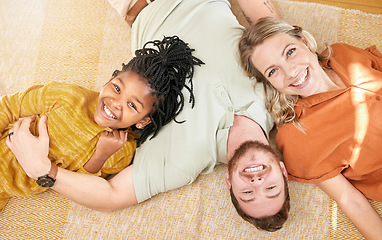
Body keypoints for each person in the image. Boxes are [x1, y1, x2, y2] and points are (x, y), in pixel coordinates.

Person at [7, 0, 286, 231]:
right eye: (272, 188)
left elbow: (111, 196)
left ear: (229, 184)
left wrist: (45, 172)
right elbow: (270, 27)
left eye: (247, 193)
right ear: (283, 171)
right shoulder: (281, 95)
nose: (257, 182)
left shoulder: (184, 160)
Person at [1, 35, 203, 212]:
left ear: (143, 121)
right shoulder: (68, 97)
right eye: (116, 88)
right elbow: (10, 106)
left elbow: (76, 182)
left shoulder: (121, 151)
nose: (115, 104)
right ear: (109, 79)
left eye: (132, 105)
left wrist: (101, 154)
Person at [238, 17, 382, 239]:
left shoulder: (342, 54)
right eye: (273, 71)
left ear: (305, 41)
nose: (291, 71)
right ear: (269, 83)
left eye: (290, 52)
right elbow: (349, 200)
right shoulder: (297, 137)